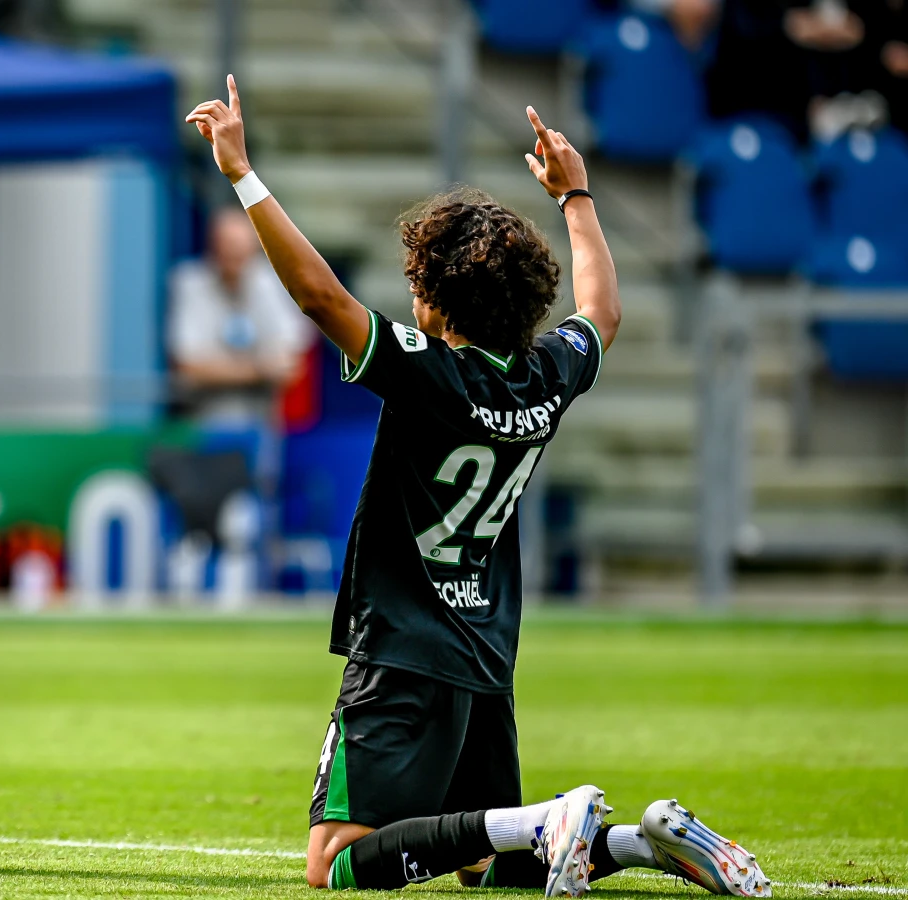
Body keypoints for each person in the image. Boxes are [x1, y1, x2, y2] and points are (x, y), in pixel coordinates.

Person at [184, 81, 770, 897]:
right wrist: (576, 196)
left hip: (402, 646)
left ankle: (543, 818)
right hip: (487, 649)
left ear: (434, 301)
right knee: (488, 867)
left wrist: (242, 173)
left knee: (337, 863)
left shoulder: (428, 373)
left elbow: (320, 296)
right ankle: (644, 842)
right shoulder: (548, 374)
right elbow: (602, 310)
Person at [167, 207, 312, 425]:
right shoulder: (189, 282)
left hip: (262, 424)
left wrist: (221, 368)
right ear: (213, 248)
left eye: (241, 253)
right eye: (227, 250)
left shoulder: (272, 282)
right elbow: (188, 367)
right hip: (201, 423)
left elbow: (291, 365)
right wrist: (260, 370)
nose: (235, 259)